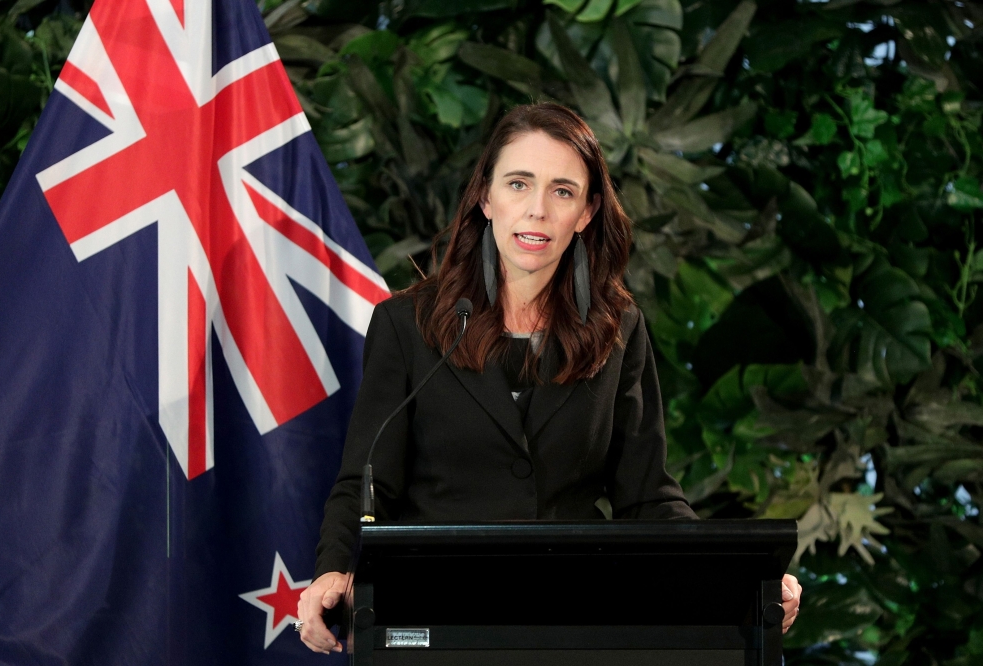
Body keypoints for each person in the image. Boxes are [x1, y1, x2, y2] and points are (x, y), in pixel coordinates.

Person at [296, 103, 802, 654]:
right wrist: (332, 570)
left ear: (586, 212)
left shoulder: (618, 329)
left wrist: (744, 579)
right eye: (519, 184)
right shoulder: (406, 325)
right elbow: (367, 484)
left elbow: (647, 496)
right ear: (486, 198)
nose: (537, 209)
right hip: (438, 619)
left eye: (562, 191)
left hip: (575, 626)